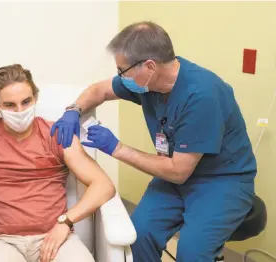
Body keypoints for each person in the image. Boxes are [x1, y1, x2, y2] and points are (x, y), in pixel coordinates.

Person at [51, 21, 257, 262]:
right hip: (174, 176)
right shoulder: (147, 84)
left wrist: (116, 148)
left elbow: (179, 171)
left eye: (122, 70)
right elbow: (99, 90)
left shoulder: (202, 95)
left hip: (221, 181)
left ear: (149, 66)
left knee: (192, 252)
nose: (120, 77)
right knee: (138, 235)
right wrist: (74, 110)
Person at [0, 64, 116, 262]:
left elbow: (103, 185)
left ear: (35, 98)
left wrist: (66, 221)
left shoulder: (56, 134)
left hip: (56, 239)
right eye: (10, 105)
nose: (20, 111)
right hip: (2, 242)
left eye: (26, 102)